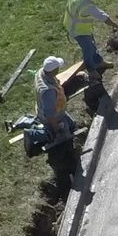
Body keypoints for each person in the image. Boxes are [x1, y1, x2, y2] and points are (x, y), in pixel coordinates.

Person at [34, 55, 83, 193]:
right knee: (62, 139)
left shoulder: (41, 73)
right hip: (54, 117)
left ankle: (71, 152)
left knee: (72, 125)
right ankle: (66, 163)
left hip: (58, 111)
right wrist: (57, 129)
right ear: (53, 71)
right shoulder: (48, 91)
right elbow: (50, 114)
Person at [65, 0, 118, 90]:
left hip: (72, 23)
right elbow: (104, 17)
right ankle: (91, 71)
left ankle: (99, 62)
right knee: (88, 50)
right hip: (78, 30)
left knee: (92, 45)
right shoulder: (87, 6)